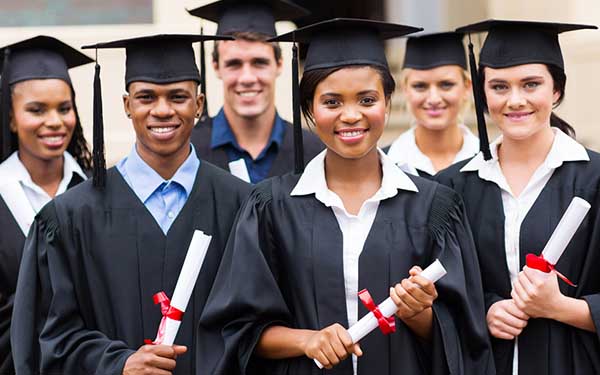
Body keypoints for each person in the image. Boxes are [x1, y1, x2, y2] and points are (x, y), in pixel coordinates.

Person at [198, 18, 494, 375]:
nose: (351, 115)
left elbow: (468, 342)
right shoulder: (271, 208)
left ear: (388, 100)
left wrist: (420, 315)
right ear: (309, 108)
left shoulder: (435, 208)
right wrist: (306, 340)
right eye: (332, 102)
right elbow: (237, 330)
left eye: (367, 99)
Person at [10, 34, 251, 375]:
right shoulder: (68, 218)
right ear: (127, 105)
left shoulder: (243, 206)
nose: (162, 110)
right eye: (146, 97)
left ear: (199, 105)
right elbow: (49, 340)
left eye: (178, 97)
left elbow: (259, 327)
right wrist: (117, 364)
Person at [436, 20, 600, 375]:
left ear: (556, 90)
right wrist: (485, 311)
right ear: (483, 93)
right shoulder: (451, 188)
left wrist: (559, 307)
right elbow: (438, 301)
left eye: (531, 84)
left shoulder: (596, 180)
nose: (515, 100)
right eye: (499, 86)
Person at [0, 35, 92, 374]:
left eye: (64, 109)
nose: (54, 121)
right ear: (10, 118)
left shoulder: (100, 190)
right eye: (36, 110)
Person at [188, 0, 323, 183]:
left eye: (259, 63)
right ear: (216, 67)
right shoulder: (188, 153)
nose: (247, 78)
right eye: (234, 64)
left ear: (279, 64)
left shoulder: (315, 154)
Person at [386, 32, 478, 178]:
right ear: (405, 90)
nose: (434, 99)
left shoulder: (489, 162)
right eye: (420, 86)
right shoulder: (384, 165)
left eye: (446, 85)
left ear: (467, 87)